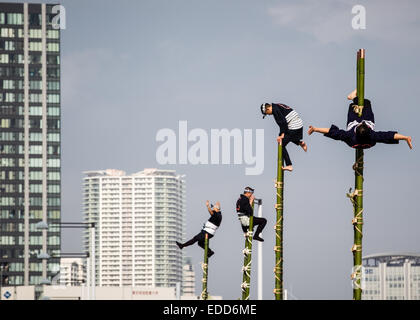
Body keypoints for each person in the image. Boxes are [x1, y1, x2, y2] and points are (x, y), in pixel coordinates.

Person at [307, 89, 413, 149]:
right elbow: (390, 135)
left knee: (353, 107)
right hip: (366, 137)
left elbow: (332, 132)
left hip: (354, 134)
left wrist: (316, 129)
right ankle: (353, 98)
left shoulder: (350, 135)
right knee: (366, 103)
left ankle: (353, 98)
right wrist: (404, 137)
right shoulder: (372, 135)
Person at [261, 102, 307, 171]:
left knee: (281, 144)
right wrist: (281, 134)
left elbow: (283, 122)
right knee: (287, 136)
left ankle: (289, 165)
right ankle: (300, 143)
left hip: (294, 126)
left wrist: (282, 134)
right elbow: (283, 123)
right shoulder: (276, 106)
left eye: (267, 113)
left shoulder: (275, 111)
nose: (268, 115)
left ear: (267, 109)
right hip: (298, 124)